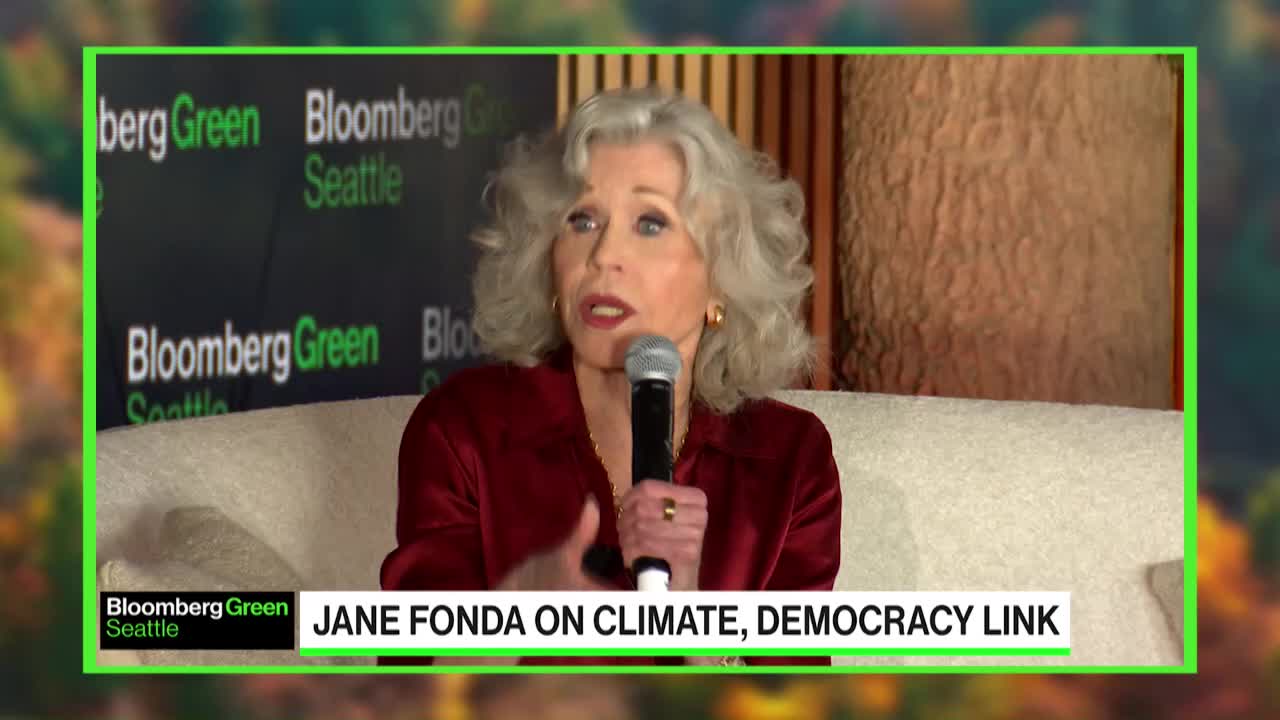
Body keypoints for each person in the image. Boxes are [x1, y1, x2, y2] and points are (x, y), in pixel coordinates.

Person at [380, 87, 842, 666]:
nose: (602, 255)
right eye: (582, 219)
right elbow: (412, 682)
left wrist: (694, 620)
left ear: (721, 279)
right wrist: (518, 614)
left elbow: (794, 697)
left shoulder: (789, 460)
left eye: (650, 223)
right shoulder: (464, 431)